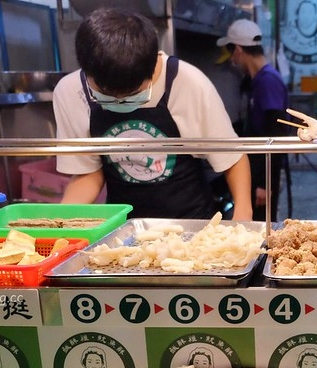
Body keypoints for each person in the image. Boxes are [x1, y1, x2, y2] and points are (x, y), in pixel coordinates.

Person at [53, 7, 253, 220]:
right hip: (124, 226)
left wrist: (242, 219)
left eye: (132, 94)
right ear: (87, 71)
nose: (120, 102)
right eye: (107, 95)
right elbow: (89, 172)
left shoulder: (188, 83)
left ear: (152, 65)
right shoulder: (71, 92)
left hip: (192, 223)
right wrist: (62, 224)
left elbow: (232, 158)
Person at [218, 19, 289, 222]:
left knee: (262, 231)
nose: (232, 60)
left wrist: (265, 185)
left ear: (238, 50)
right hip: (258, 171)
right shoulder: (258, 80)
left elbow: (275, 134)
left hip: (263, 174)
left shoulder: (268, 81)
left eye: (232, 53)